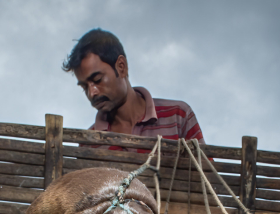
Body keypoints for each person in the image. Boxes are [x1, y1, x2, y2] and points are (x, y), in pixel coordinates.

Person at [63, 29, 203, 150]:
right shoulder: (88, 142)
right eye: (84, 87)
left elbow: (208, 178)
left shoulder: (178, 116)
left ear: (121, 67)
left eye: (98, 80)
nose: (92, 93)